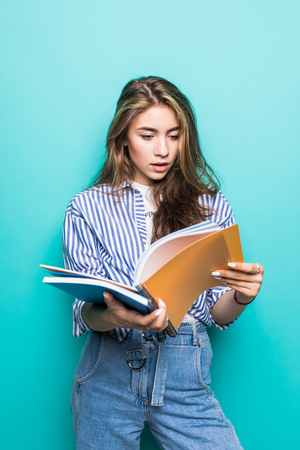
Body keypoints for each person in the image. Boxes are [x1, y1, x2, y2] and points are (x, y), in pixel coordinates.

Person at [63, 76, 264, 450]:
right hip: (109, 370)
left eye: (174, 135)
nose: (163, 150)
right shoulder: (86, 207)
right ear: (123, 137)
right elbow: (85, 313)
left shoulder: (210, 206)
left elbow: (216, 314)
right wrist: (120, 317)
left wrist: (242, 296)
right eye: (148, 135)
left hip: (184, 370)